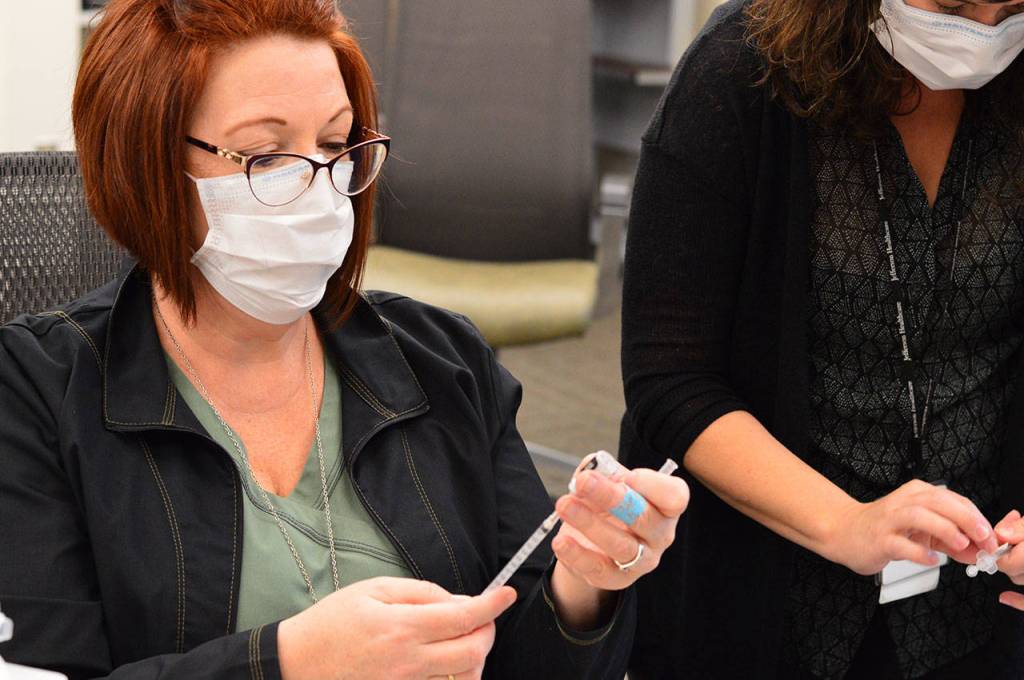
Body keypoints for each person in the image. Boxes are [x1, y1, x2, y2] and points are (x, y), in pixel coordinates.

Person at [0, 1, 691, 679]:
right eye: (267, 156)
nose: (321, 189)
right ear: (142, 162)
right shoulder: (35, 393)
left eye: (335, 144)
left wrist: (584, 580)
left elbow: (532, 656)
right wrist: (291, 664)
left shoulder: (443, 362)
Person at [620, 0, 1024, 678]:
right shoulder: (740, 72)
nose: (983, 30)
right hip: (764, 589)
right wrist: (846, 524)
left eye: (1012, 8)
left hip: (976, 600)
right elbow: (671, 376)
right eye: (953, 6)